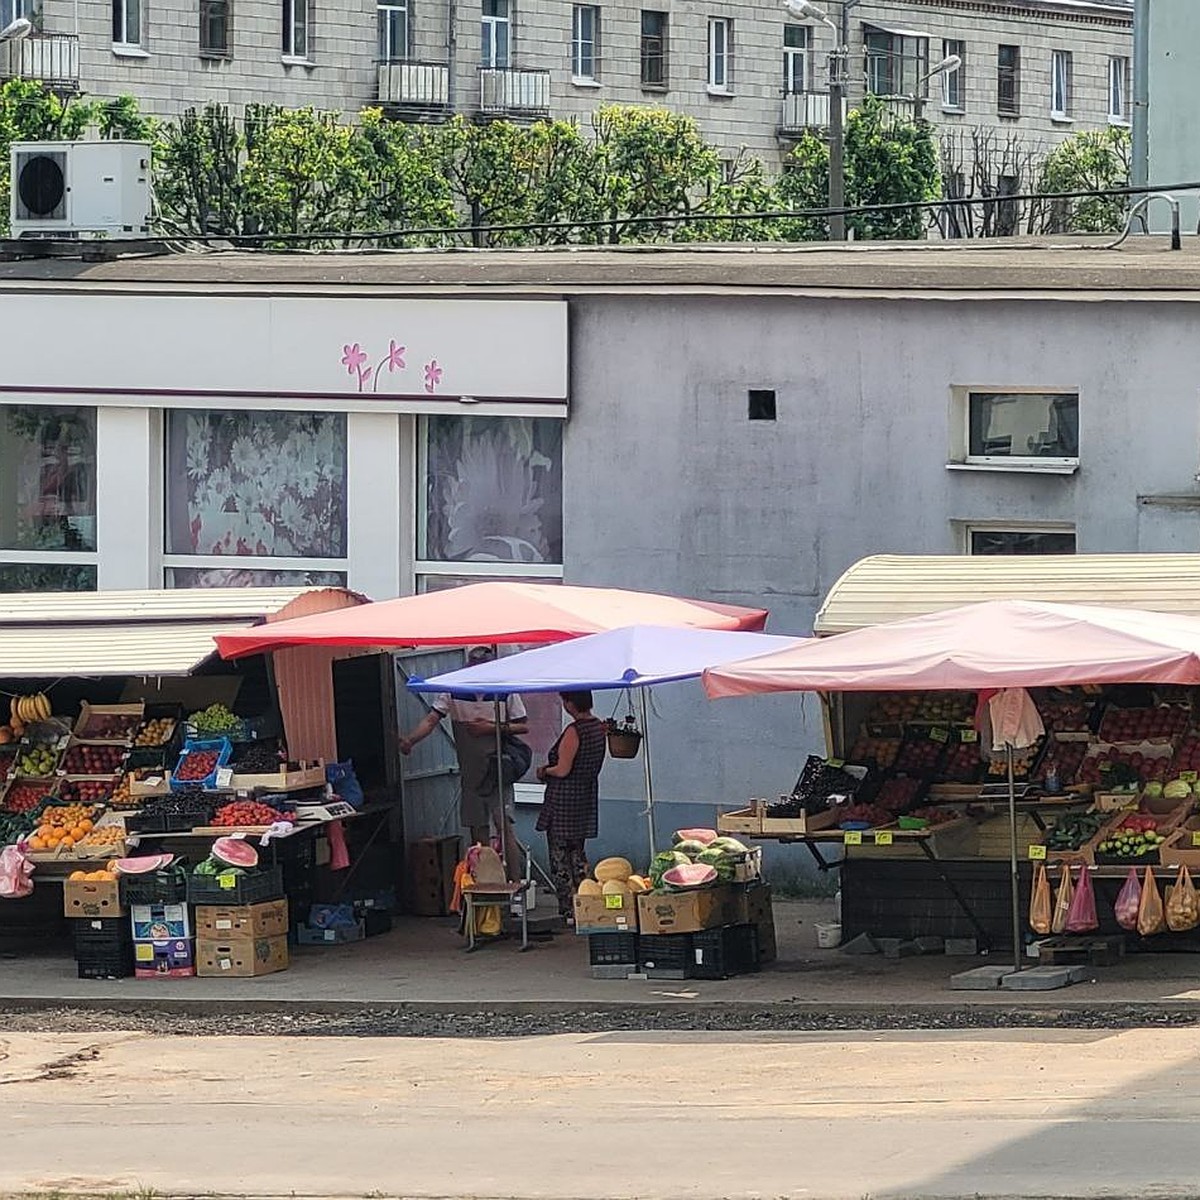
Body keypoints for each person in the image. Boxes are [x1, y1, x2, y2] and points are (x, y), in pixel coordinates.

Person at [399, 646, 528, 874]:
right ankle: (484, 885)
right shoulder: (453, 691)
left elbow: (523, 726)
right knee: (477, 833)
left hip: (498, 771)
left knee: (504, 827)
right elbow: (430, 720)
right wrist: (410, 740)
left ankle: (515, 885)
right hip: (471, 774)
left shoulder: (504, 691)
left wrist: (491, 728)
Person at [536, 690, 607, 922]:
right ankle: (587, 902)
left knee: (560, 857)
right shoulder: (598, 727)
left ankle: (568, 908)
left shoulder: (574, 731)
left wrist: (544, 771)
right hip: (585, 796)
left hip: (564, 799)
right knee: (577, 853)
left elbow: (563, 769)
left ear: (570, 704)